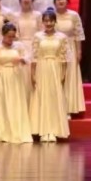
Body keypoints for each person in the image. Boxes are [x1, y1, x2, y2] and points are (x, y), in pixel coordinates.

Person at [0, 23, 32, 144]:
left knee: (14, 101)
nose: (11, 39)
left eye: (13, 36)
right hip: (1, 76)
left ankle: (15, 130)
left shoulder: (19, 46)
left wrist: (22, 59)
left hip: (15, 77)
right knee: (1, 102)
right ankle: (1, 130)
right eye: (8, 36)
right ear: (3, 35)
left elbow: (28, 57)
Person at [30, 10, 70, 142]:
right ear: (43, 22)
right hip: (42, 67)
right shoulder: (38, 36)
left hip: (55, 68)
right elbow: (34, 56)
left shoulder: (62, 37)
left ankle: (54, 130)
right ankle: (43, 131)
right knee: (42, 96)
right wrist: (33, 74)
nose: (48, 23)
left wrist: (63, 74)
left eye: (51, 21)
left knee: (54, 97)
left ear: (55, 22)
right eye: (46, 21)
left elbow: (64, 57)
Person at [54, 0, 86, 114]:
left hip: (70, 48)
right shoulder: (51, 15)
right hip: (55, 49)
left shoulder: (74, 15)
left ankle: (68, 108)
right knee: (57, 77)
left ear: (67, 1)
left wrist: (79, 51)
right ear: (54, 2)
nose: (61, 1)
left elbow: (79, 34)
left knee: (69, 77)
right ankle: (57, 107)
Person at [15, 0, 42, 101]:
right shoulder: (15, 15)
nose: (26, 0)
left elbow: (41, 32)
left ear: (32, 0)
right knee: (22, 76)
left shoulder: (38, 15)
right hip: (21, 46)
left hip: (35, 47)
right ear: (20, 0)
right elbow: (15, 34)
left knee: (35, 75)